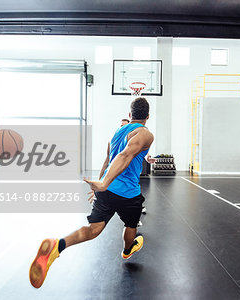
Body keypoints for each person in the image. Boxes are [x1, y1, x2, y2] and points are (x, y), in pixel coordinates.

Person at [29, 97, 154, 289]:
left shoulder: (116, 133)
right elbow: (125, 155)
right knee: (131, 226)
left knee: (92, 230)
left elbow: (108, 160)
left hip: (106, 189)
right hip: (128, 193)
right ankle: (127, 250)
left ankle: (58, 245)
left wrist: (100, 183)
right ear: (147, 116)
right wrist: (103, 183)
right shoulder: (145, 133)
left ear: (130, 115)